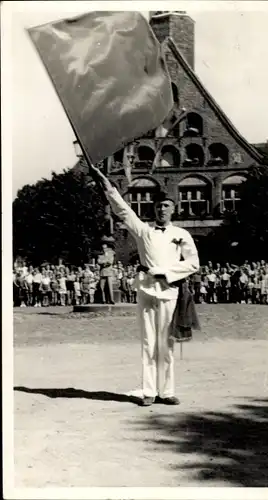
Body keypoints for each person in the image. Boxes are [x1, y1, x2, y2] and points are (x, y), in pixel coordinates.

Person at [91, 165, 199, 407]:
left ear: (174, 209)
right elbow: (122, 209)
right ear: (155, 209)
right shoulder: (143, 230)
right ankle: (149, 391)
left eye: (166, 206)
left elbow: (193, 263)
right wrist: (106, 184)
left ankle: (167, 391)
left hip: (169, 291)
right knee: (148, 342)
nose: (162, 210)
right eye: (159, 206)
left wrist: (166, 272)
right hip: (146, 291)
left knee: (166, 343)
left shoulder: (182, 234)